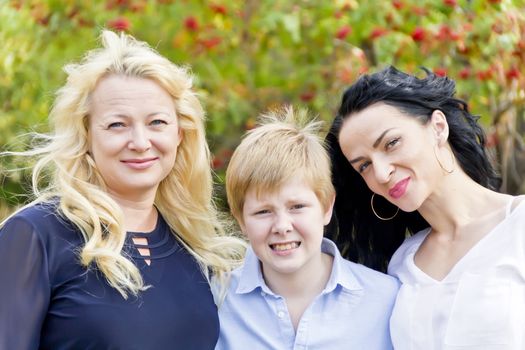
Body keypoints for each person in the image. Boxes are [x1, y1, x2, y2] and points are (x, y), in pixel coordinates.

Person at [0, 30, 245, 349]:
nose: (141, 143)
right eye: (117, 124)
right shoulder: (35, 236)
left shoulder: (197, 248)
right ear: (86, 136)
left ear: (180, 134)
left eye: (157, 122)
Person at [326, 66, 525, 349]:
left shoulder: (517, 226)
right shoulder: (402, 263)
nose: (381, 173)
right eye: (364, 165)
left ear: (438, 127)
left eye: (391, 143)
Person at [215, 106, 398, 349]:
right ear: (240, 219)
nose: (282, 226)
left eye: (297, 206)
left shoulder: (385, 299)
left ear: (326, 206)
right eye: (263, 212)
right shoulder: (215, 300)